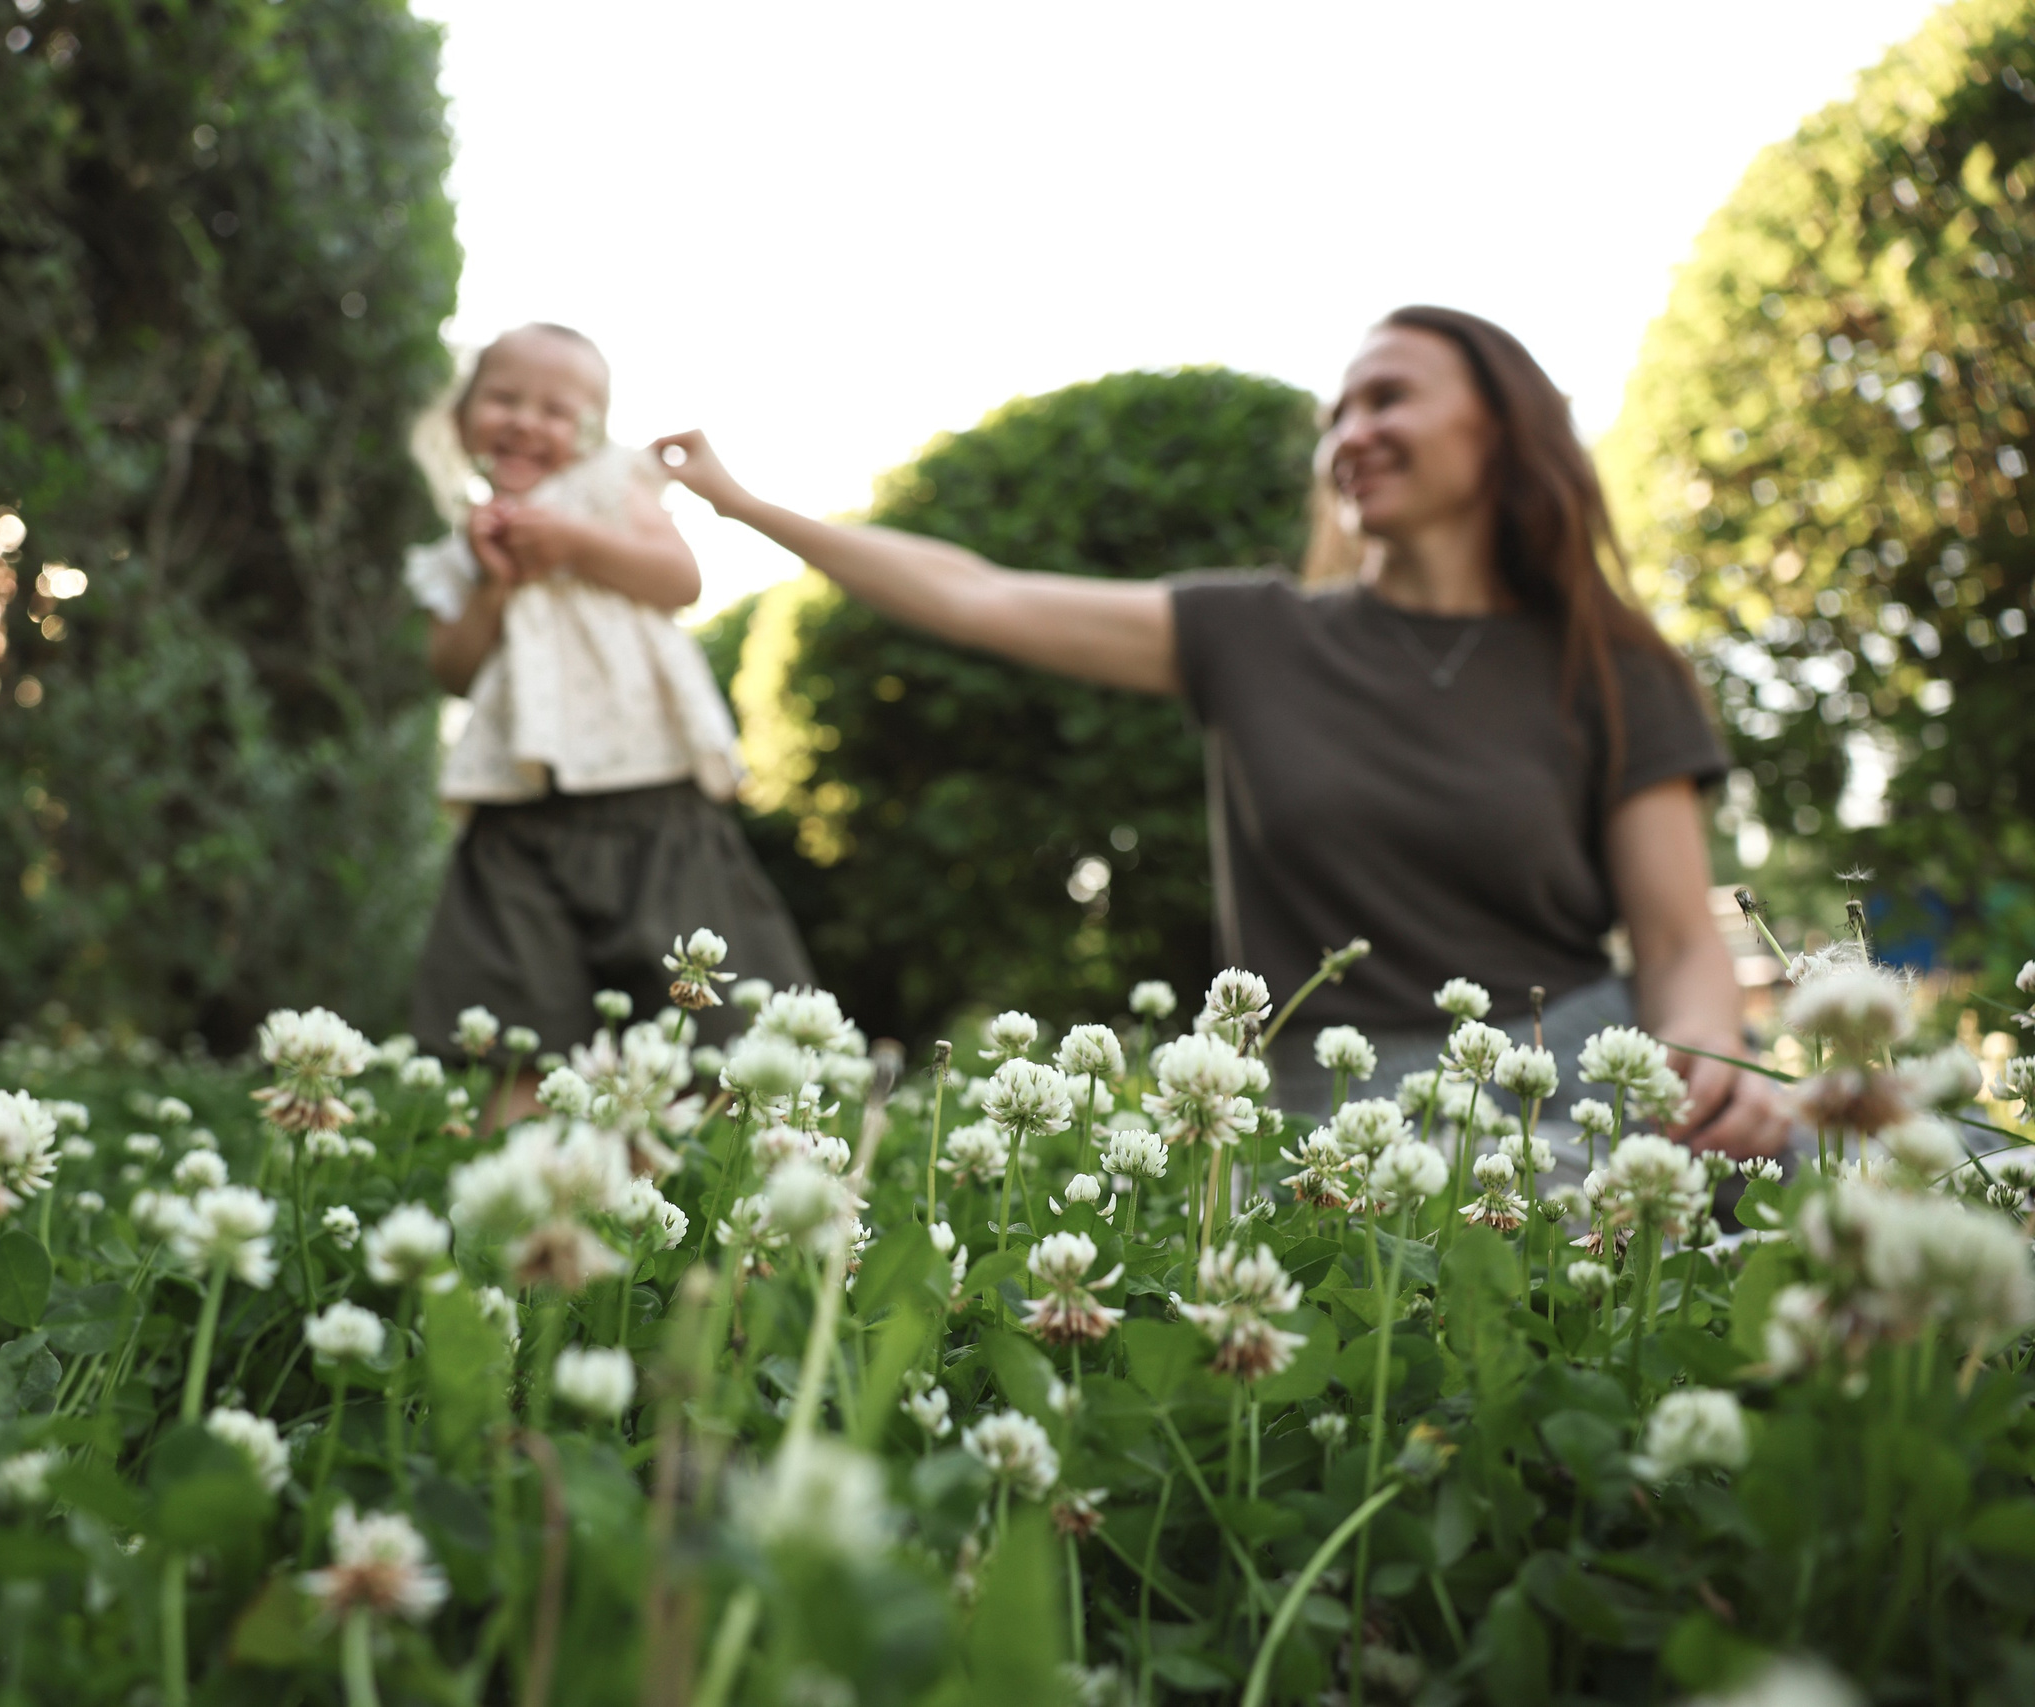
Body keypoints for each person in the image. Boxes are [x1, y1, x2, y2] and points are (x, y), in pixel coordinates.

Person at [653, 306, 1788, 1157]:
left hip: (1581, 1069)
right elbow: (976, 593)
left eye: (1387, 397)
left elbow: (1681, 943)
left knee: (1913, 1186)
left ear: (1502, 428)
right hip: (1345, 1103)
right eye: (1337, 413)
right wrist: (747, 506)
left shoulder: (1614, 661)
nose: (1351, 433)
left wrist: (1700, 1069)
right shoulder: (1252, 635)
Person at [405, 323, 812, 1079]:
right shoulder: (458, 547)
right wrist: (496, 580)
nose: (528, 420)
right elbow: (454, 670)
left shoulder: (611, 489)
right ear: (463, 418)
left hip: (651, 789)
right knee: (514, 1027)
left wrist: (574, 544)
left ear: (594, 431)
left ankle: (673, 1181)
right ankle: (530, 1180)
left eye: (558, 410)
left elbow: (678, 579)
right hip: (518, 797)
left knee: (700, 1026)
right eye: (504, 399)